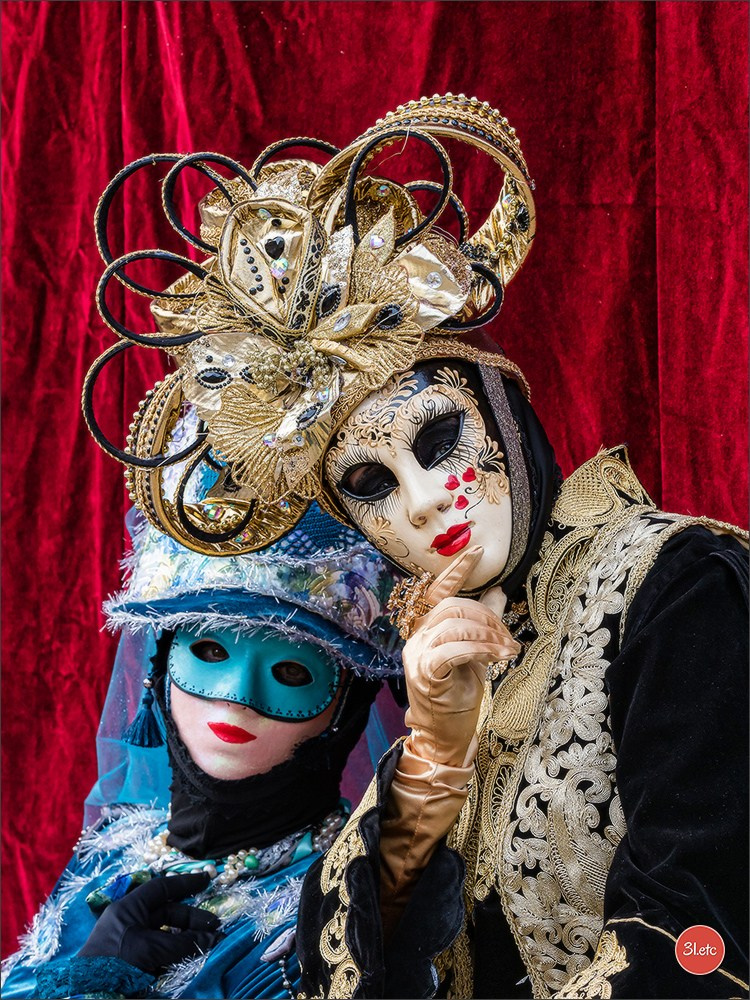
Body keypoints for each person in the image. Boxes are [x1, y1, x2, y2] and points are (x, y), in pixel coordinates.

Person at [81, 95, 748, 998]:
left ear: (501, 411)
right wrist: (432, 765)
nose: (428, 500)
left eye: (438, 440)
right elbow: (351, 970)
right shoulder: (439, 650)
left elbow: (701, 944)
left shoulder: (677, 587)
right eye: (370, 486)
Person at [1, 494, 403, 1000]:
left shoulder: (337, 904)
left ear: (346, 708)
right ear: (160, 670)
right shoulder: (112, 850)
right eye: (210, 651)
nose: (237, 698)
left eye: (292, 672)